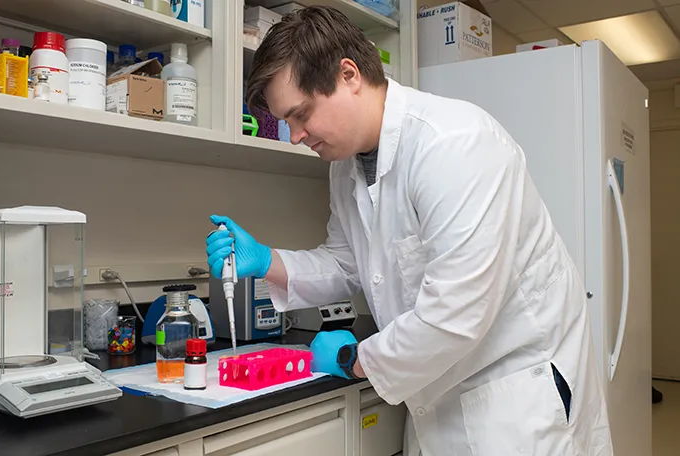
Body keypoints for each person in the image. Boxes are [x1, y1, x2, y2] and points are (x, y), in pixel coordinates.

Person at [206, 6, 613, 456]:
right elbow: (348, 263)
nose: (296, 135)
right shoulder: (347, 168)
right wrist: (268, 260)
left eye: (302, 114)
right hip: (438, 395)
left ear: (348, 74)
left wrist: (353, 359)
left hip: (515, 401)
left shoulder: (455, 143)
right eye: (288, 121)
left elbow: (455, 314)